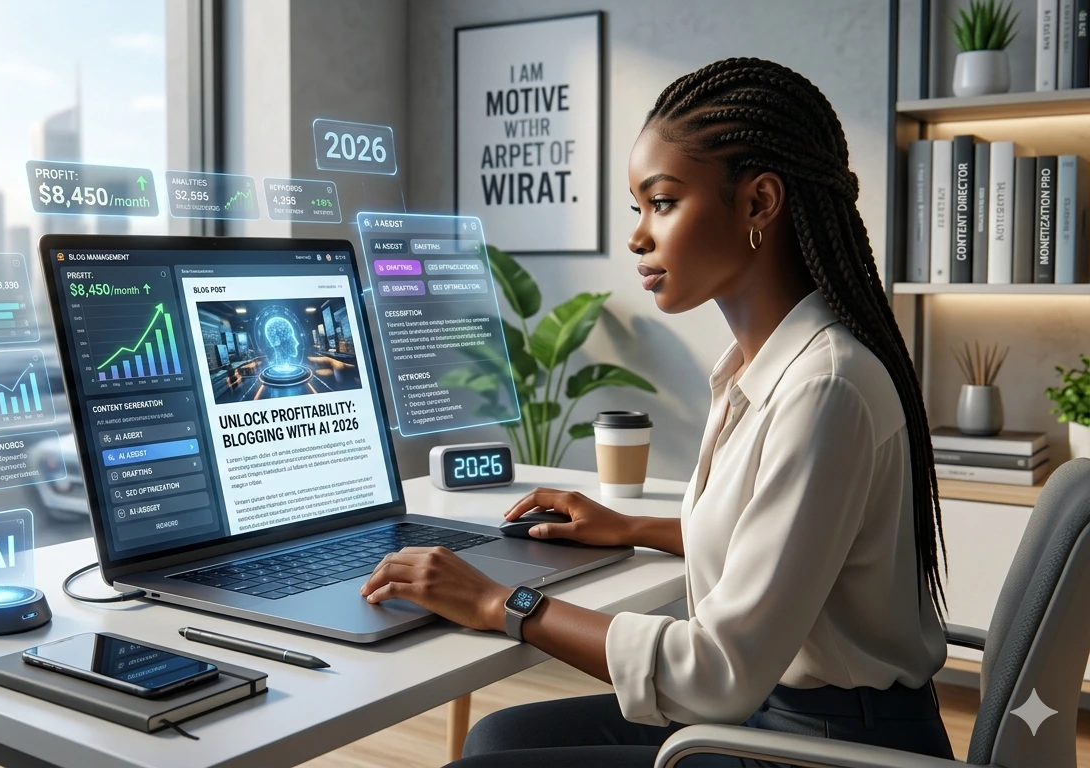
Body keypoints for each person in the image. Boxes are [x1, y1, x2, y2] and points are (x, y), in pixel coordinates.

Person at [359, 57, 954, 767]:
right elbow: (781, 544)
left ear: (760, 203)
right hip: (786, 711)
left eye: (662, 203)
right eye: (637, 207)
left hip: (827, 745)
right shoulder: (764, 369)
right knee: (495, 736)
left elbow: (715, 674)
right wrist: (630, 526)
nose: (638, 237)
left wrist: (501, 604)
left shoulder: (825, 388)